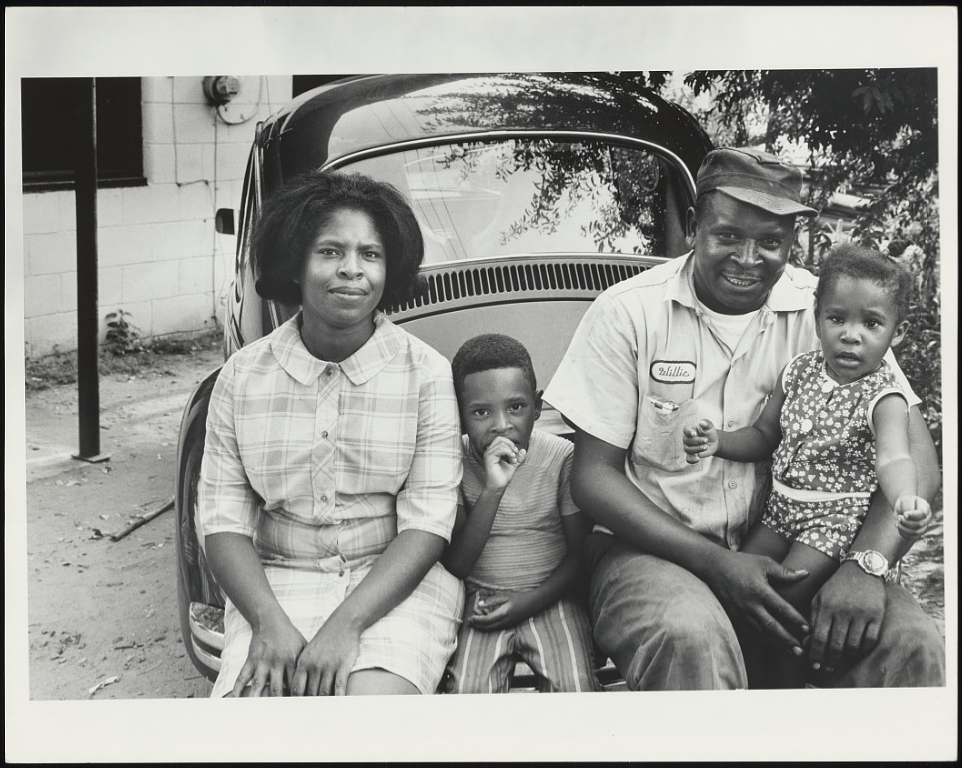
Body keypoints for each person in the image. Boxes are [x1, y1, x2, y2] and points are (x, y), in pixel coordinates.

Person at [544, 146, 944, 690]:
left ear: (791, 245)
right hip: (657, 549)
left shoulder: (832, 312)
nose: (748, 258)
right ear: (692, 227)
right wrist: (714, 563)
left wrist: (868, 562)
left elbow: (915, 457)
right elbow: (592, 478)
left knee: (912, 646)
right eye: (727, 235)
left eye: (771, 242)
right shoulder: (629, 313)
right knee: (690, 638)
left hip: (814, 547)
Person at [199, 170, 464, 697]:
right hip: (272, 586)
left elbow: (428, 523)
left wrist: (345, 627)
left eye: (370, 254)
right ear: (295, 264)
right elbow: (223, 520)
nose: (351, 270)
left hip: (392, 586)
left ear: (391, 269)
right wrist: (268, 624)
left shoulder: (426, 373)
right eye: (329, 252)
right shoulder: (243, 376)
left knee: (372, 715)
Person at [682, 244, 933, 687]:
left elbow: (895, 456)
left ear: (897, 332)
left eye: (871, 323)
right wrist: (718, 441)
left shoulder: (885, 395)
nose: (851, 335)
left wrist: (904, 500)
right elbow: (763, 436)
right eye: (837, 319)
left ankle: (783, 690)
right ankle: (748, 688)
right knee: (742, 588)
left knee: (783, 598)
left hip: (833, 520)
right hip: (781, 510)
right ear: (817, 317)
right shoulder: (798, 372)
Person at [441, 334, 599, 693]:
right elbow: (458, 565)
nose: (501, 424)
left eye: (516, 407)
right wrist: (494, 488)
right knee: (466, 695)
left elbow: (579, 557)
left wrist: (528, 603)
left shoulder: (561, 458)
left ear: (538, 406)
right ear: (460, 416)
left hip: (551, 596)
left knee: (576, 690)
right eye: (481, 412)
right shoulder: (454, 462)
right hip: (482, 603)